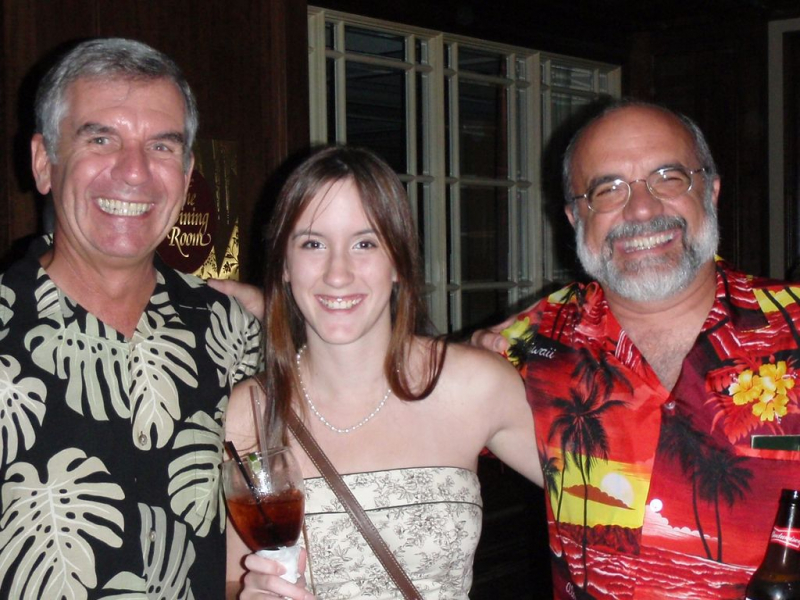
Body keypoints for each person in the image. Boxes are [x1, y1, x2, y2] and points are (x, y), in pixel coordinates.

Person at [473, 100, 800, 599]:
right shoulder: (527, 346)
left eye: (668, 178)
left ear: (710, 192)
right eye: (607, 189)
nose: (642, 209)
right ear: (575, 217)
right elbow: (397, 413)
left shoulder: (793, 326)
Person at [0, 38, 261, 600]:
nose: (136, 172)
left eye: (162, 146)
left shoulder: (235, 334)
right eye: (101, 139)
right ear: (44, 162)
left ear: (186, 175)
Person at [224, 146, 542, 600]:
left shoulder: (474, 385)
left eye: (365, 243)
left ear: (397, 261)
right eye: (313, 244)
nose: (338, 273)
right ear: (284, 265)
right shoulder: (250, 412)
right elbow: (233, 575)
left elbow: (613, 501)